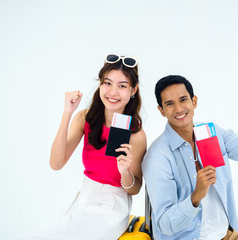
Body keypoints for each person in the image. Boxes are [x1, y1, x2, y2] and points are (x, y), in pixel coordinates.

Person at [16, 54, 147, 240]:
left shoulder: (136, 134)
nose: (113, 92)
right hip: (83, 199)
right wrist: (67, 113)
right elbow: (56, 163)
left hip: (112, 208)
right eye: (108, 83)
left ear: (134, 90)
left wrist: (125, 172)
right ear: (100, 85)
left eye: (122, 86)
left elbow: (135, 188)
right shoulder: (85, 118)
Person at [142, 75, 238, 240]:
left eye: (183, 100)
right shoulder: (157, 157)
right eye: (169, 104)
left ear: (194, 101)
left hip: (226, 235)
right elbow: (164, 224)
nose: (178, 109)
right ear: (161, 110)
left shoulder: (213, 133)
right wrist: (195, 197)